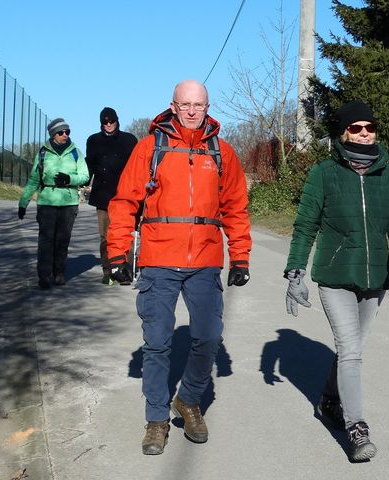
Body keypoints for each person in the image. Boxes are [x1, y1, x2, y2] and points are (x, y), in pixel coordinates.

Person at [106, 80, 252, 455]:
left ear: (207, 107)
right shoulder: (149, 148)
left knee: (208, 337)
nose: (191, 110)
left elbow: (235, 207)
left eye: (198, 104)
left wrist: (240, 257)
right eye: (184, 104)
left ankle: (187, 400)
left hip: (204, 261)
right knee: (157, 344)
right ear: (172, 106)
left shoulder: (221, 152)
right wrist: (118, 253)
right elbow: (124, 202)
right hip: (158, 260)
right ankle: (156, 420)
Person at [284, 100, 389, 462]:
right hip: (336, 275)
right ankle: (357, 429)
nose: (363, 133)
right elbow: (305, 225)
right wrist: (295, 271)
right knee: (351, 351)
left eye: (369, 127)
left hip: (374, 278)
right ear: (343, 132)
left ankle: (328, 399)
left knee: (351, 349)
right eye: (355, 128)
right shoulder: (324, 172)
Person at [18, 118, 89, 289]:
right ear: (52, 134)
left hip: (69, 203)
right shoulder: (43, 153)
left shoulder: (76, 153)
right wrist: (23, 202)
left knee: (62, 241)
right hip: (47, 202)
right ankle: (44, 275)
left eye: (67, 132)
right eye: (61, 132)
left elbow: (85, 176)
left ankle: (58, 272)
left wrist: (70, 179)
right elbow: (34, 179)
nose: (65, 135)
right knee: (46, 241)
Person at [85, 107, 138, 284]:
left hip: (125, 195)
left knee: (126, 234)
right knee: (105, 236)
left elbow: (138, 168)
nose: (108, 125)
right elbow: (89, 166)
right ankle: (108, 270)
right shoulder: (93, 141)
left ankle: (125, 270)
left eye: (111, 121)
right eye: (105, 122)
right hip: (103, 195)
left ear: (117, 121)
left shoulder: (129, 140)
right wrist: (83, 182)